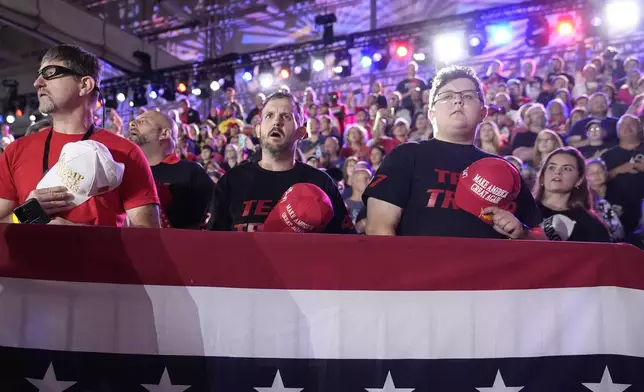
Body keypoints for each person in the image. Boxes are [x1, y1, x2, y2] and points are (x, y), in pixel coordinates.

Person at [363, 65, 543, 238]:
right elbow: (379, 230)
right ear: (431, 114)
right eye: (447, 96)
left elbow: (541, 238)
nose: (458, 100)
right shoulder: (406, 156)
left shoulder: (504, 169)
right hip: (419, 268)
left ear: (483, 112)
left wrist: (522, 233)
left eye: (468, 96)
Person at [0, 44, 159, 226]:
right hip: (27, 255)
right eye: (39, 74)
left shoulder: (125, 151)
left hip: (100, 256)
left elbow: (148, 236)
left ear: (85, 85)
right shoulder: (16, 151)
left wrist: (78, 234)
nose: (37, 83)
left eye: (50, 73)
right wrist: (24, 215)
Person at [206, 91, 355, 233]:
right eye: (269, 116)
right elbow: (213, 244)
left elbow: (345, 244)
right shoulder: (232, 180)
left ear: (301, 133)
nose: (276, 122)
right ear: (258, 130)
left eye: (286, 117)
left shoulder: (320, 183)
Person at [128, 110, 214, 229]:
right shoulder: (125, 171)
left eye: (143, 121)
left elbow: (212, 217)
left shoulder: (191, 172)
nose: (132, 124)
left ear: (164, 134)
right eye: (133, 121)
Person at [533, 148, 610, 242]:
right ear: (542, 177)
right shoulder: (522, 211)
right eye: (552, 167)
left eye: (567, 168)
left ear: (579, 180)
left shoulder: (591, 224)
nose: (557, 172)